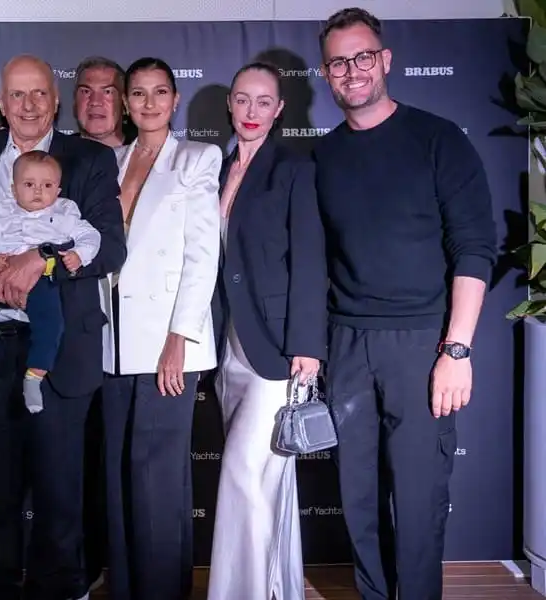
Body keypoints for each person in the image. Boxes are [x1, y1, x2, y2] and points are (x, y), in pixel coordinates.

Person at [314, 8, 497, 600]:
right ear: (325, 73)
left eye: (363, 57)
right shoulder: (321, 156)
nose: (352, 71)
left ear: (386, 60)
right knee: (359, 503)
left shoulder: (438, 139)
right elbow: (311, 257)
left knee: (418, 503)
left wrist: (456, 350)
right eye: (339, 62)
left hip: (423, 344)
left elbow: (474, 249)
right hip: (346, 346)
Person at [0, 53, 126, 600]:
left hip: (57, 349)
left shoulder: (90, 158)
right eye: (17, 95)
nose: (28, 106)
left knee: (59, 494)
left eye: (39, 94)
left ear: (55, 101)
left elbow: (110, 247)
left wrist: (43, 258)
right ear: (2, 105)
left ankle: (62, 589)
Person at [100, 57, 221, 600]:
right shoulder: (111, 161)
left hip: (167, 343)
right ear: (126, 103)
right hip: (113, 343)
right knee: (122, 479)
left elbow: (202, 255)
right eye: (138, 93)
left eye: (160, 92)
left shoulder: (197, 158)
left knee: (157, 482)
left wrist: (179, 339)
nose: (149, 103)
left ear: (175, 99)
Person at [206, 62, 327, 600]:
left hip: (278, 349)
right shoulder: (215, 167)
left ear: (279, 110)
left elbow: (311, 260)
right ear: (229, 104)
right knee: (269, 481)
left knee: (245, 474)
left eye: (263, 101)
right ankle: (280, 588)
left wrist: (307, 345)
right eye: (242, 99)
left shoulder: (294, 169)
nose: (251, 111)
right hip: (226, 346)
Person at [0, 149, 102, 414]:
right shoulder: (1, 211)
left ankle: (34, 377)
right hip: (1, 274)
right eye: (29, 184)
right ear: (14, 189)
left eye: (47, 186)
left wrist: (79, 255)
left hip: (43, 280)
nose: (38, 191)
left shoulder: (65, 212)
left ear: (58, 190)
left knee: (51, 325)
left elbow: (91, 237)